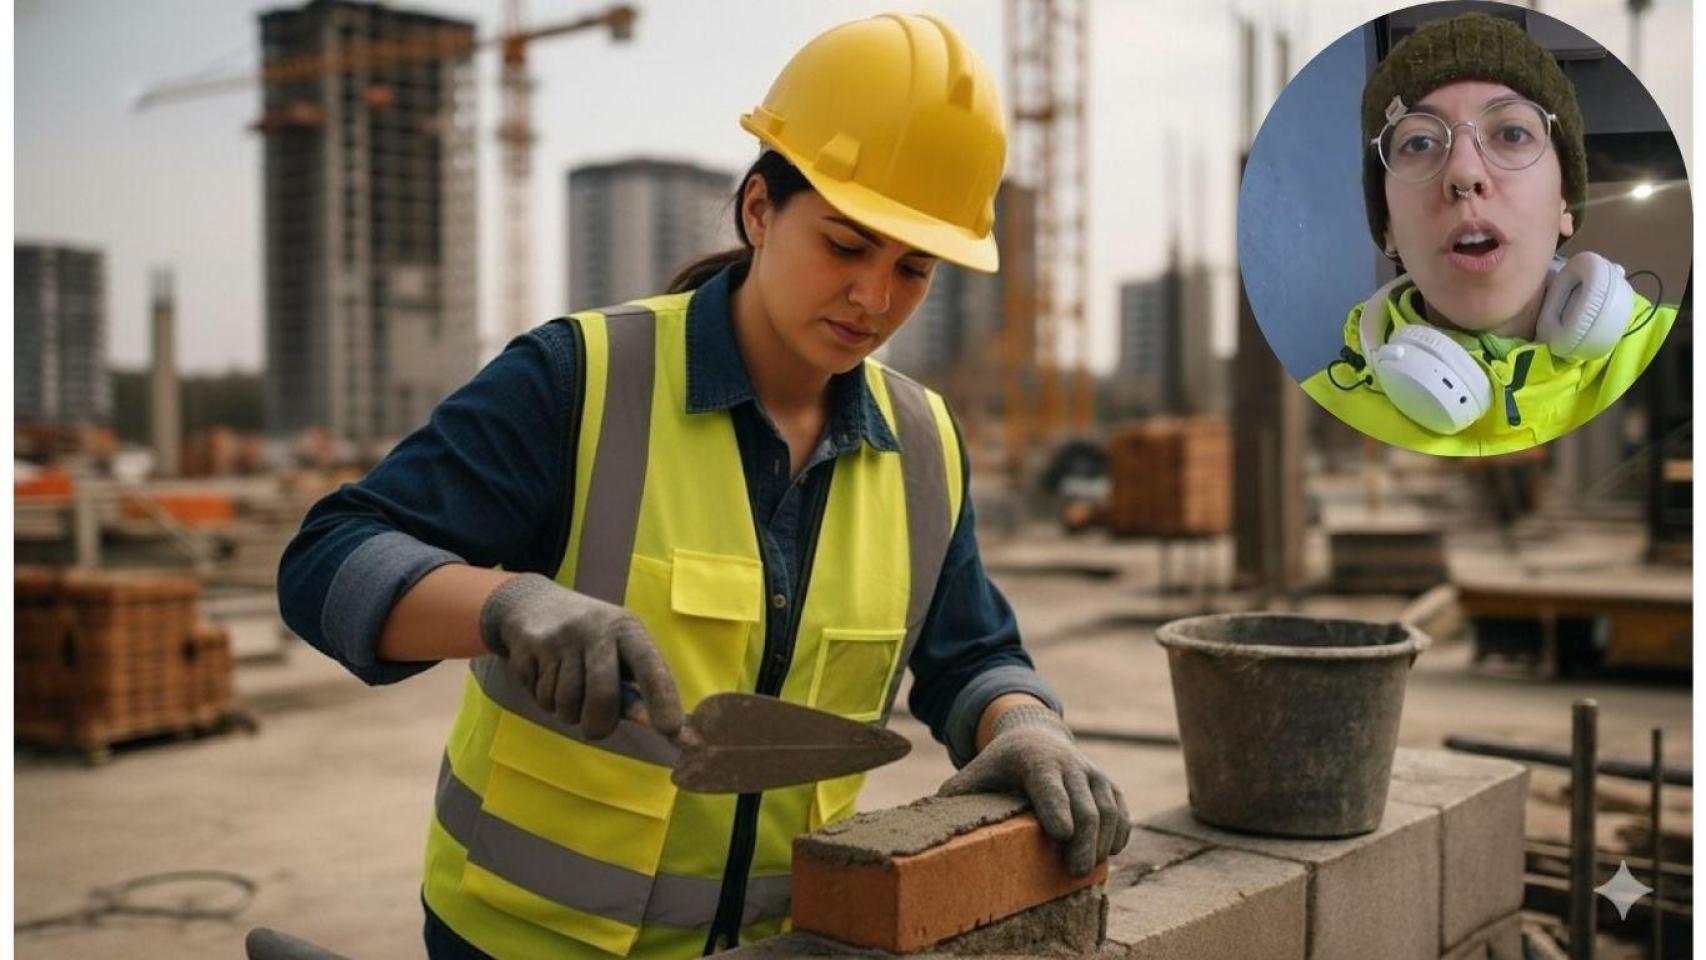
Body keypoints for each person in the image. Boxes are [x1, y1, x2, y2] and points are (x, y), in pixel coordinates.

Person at [277, 13, 1130, 960]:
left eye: (914, 269)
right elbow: (328, 560)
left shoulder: (924, 446)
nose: (875, 299)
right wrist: (507, 605)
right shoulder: (580, 380)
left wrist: (1023, 725)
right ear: (759, 209)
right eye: (846, 247)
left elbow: (971, 654)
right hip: (521, 939)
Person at [1300, 12, 1677, 456]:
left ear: (1565, 205)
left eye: (1512, 133)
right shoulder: (1323, 412)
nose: (1464, 173)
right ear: (1386, 226)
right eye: (1419, 143)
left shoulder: (1668, 355)